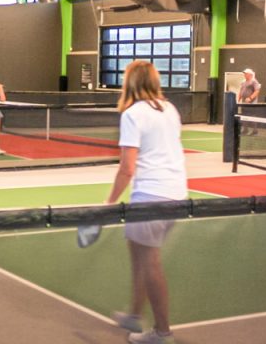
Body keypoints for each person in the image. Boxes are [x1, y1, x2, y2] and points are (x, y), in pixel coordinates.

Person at [107, 60, 186, 344]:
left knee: (149, 262)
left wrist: (110, 202)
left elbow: (127, 168)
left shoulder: (133, 114)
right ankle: (134, 315)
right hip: (177, 194)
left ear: (130, 82)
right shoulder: (171, 110)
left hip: (151, 197)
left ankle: (163, 333)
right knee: (138, 252)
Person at [237, 68, 261, 135]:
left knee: (252, 116)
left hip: (252, 103)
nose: (244, 75)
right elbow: (241, 91)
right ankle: (245, 130)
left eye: (246, 74)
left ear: (250, 74)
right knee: (244, 116)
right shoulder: (243, 82)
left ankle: (255, 131)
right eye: (244, 73)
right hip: (244, 103)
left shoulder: (254, 81)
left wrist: (250, 98)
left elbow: (257, 91)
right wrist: (238, 99)